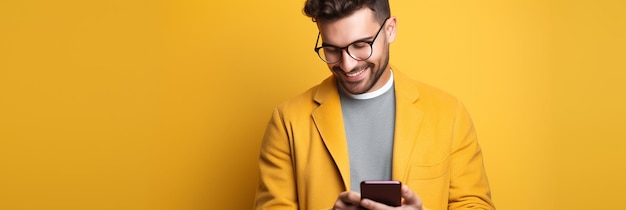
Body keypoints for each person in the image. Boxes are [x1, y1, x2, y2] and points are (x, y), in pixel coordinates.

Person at [254, 0, 495, 209]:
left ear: (390, 30)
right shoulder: (287, 121)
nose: (347, 65)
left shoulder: (449, 113)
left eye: (361, 45)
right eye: (332, 49)